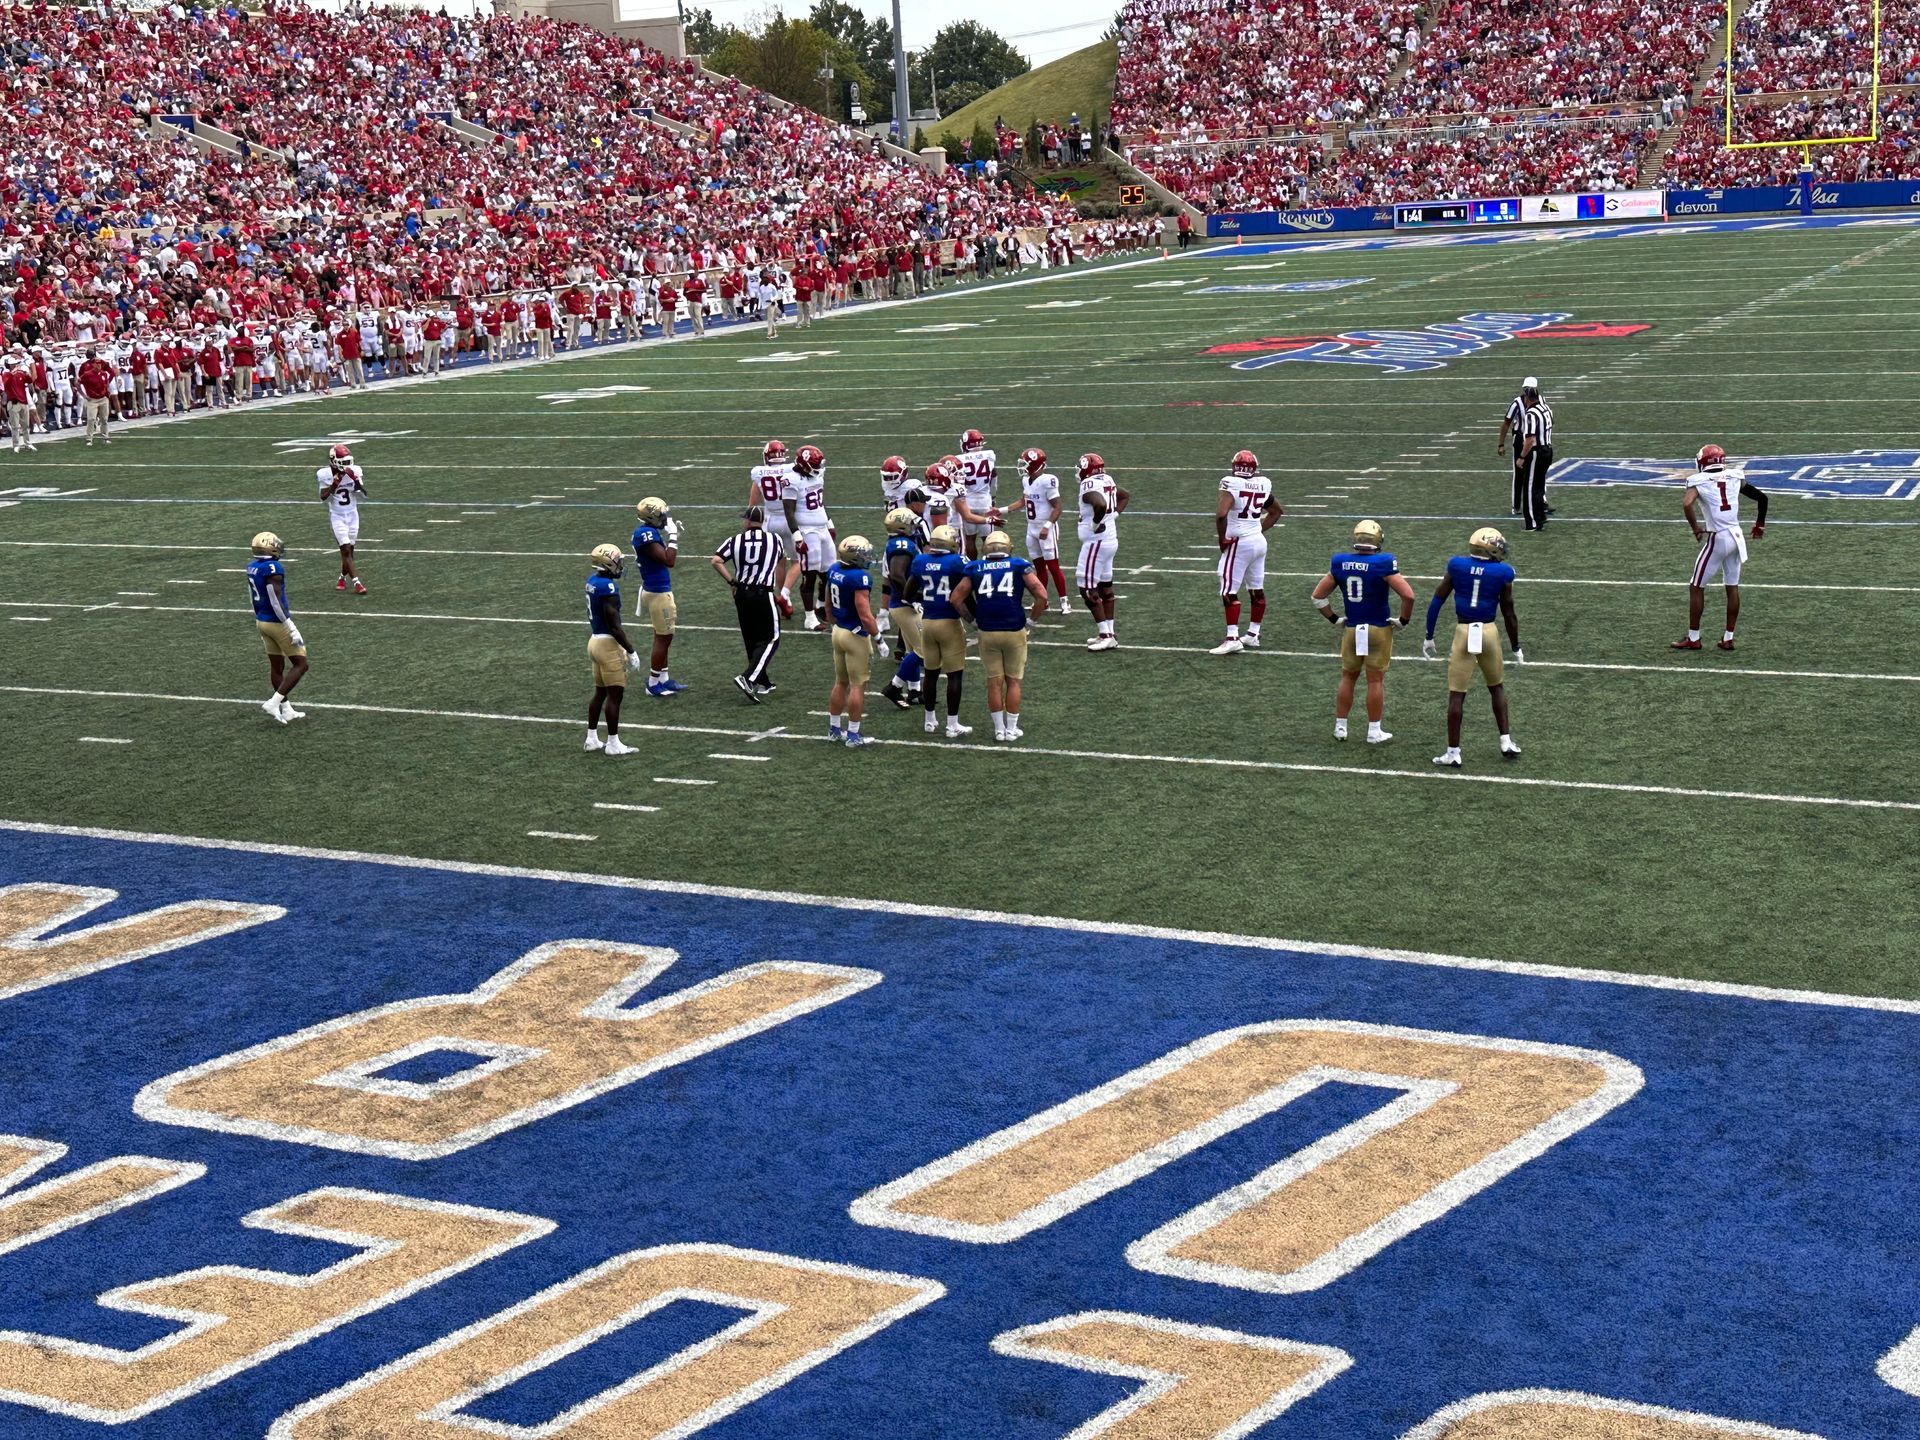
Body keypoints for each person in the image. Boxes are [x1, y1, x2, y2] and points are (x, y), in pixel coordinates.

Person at [1424, 527, 1524, 766]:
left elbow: (1437, 599)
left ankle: (1453, 752)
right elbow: (1508, 612)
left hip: (1464, 632)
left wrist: (1429, 634)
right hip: (1489, 632)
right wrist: (1516, 646)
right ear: (1489, 548)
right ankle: (1506, 741)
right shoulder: (1503, 572)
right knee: (1496, 687)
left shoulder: (1457, 566)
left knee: (1457, 694)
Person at [1312, 519, 1416, 744]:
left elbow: (1318, 596)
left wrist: (1335, 619)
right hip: (1378, 629)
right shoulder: (1384, 562)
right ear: (1378, 540)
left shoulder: (1341, 562)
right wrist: (1403, 620)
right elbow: (1408, 596)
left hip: (1352, 628)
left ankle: (1340, 727)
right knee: (1375, 681)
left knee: (1348, 677)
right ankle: (1373, 731)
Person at [952, 529, 1048, 742]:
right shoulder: (1018, 565)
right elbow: (1041, 595)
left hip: (987, 631)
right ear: (1008, 547)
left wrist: (973, 620)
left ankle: (999, 729)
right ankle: (1011, 730)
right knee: (1013, 681)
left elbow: (956, 598)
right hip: (1014, 629)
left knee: (994, 682)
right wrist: (1031, 621)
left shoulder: (975, 567)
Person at [1674, 444, 1767, 652]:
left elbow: (1687, 504)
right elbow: (1763, 498)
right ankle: (1728, 638)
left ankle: (1694, 638)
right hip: (1736, 536)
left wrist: (1696, 528)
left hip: (1718, 538)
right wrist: (1759, 524)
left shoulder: (1698, 480)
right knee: (1732, 586)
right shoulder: (1734, 476)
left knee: (1696, 586)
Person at [1211, 448, 1282, 654]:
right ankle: (1253, 634)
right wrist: (1258, 530)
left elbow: (1221, 514)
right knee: (1256, 588)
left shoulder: (1230, 482)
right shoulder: (1263, 483)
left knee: (1228, 591)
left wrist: (1222, 539)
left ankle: (1232, 637)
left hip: (1239, 542)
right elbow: (1277, 511)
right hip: (1258, 541)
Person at [711, 504, 785, 700]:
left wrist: (732, 581)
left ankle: (763, 681)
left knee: (751, 639)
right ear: (762, 522)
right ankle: (749, 678)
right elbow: (779, 559)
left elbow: (716, 561)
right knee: (771, 638)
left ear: (747, 521)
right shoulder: (774, 539)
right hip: (763, 593)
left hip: (742, 594)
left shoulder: (735, 540)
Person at [908, 524, 972, 737]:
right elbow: (968, 590)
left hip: (927, 622)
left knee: (931, 673)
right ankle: (952, 724)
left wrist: (923, 598)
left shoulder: (920, 561)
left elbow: (908, 592)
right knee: (954, 675)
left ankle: (929, 720)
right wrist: (975, 617)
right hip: (949, 623)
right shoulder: (956, 562)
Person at [826, 535, 886, 747]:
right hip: (855, 634)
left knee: (840, 682)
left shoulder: (834, 569)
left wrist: (833, 622)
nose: (867, 557)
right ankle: (853, 735)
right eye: (863, 554)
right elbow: (865, 615)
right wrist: (878, 638)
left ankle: (834, 729)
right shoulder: (859, 577)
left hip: (838, 631)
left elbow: (827, 602)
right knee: (858, 685)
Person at [584, 544, 642, 755]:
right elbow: (615, 627)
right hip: (607, 645)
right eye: (617, 561)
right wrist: (631, 650)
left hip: (594, 641)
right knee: (614, 696)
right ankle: (613, 743)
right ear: (607, 563)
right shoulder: (608, 588)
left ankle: (591, 738)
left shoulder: (593, 581)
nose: (620, 565)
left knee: (600, 693)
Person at [246, 532, 308, 724]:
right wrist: (290, 626)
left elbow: (251, 595)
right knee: (301, 664)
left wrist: (259, 618)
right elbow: (275, 601)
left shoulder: (253, 566)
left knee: (277, 666)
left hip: (261, 620)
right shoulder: (272, 567)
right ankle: (274, 703)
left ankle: (287, 709)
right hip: (276, 622)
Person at [630, 496, 686, 696]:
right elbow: (669, 560)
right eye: (662, 515)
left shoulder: (647, 531)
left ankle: (664, 678)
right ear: (651, 517)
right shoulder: (646, 534)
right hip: (657, 592)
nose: (665, 518)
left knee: (663, 637)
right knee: (663, 638)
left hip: (654, 589)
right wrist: (673, 537)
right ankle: (653, 684)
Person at [1075, 452, 1129, 650]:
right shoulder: (1107, 479)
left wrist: (1097, 522)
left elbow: (1099, 503)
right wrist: (1112, 515)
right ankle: (1110, 632)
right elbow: (1125, 496)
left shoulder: (1088, 484)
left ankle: (1105, 634)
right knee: (1105, 587)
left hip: (1096, 542)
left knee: (1086, 587)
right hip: (1109, 541)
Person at [781, 444, 836, 631]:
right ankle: (809, 617)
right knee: (810, 575)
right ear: (804, 465)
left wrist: (829, 523)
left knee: (829, 572)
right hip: (807, 530)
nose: (819, 469)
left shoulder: (817, 474)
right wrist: (797, 537)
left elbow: (820, 501)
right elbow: (789, 512)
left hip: (821, 527)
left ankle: (821, 605)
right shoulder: (791, 480)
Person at [879, 506, 925, 709]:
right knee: (925, 651)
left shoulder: (899, 542)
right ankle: (894, 687)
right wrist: (912, 597)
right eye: (910, 523)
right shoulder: (901, 544)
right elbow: (897, 575)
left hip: (899, 603)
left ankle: (914, 691)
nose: (913, 526)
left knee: (912, 650)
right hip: (904, 604)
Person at [748, 440, 797, 617]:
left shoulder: (758, 473)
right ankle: (785, 594)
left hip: (769, 521)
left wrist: (748, 526)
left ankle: (783, 598)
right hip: (790, 519)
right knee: (799, 561)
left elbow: (753, 504)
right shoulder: (792, 469)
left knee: (779, 562)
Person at [1018, 447, 1071, 614]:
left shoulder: (1048, 480)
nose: (1022, 466)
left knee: (1053, 566)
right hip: (1031, 528)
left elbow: (1058, 507)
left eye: (1026, 463)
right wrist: (1001, 510)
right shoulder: (1026, 480)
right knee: (1039, 567)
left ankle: (1065, 603)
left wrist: (1047, 526)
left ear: (1035, 464)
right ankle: (1043, 601)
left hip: (1045, 528)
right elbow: (1023, 502)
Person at [318, 443, 369, 594]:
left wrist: (356, 484)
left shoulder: (355, 470)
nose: (347, 465)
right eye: (344, 462)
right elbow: (323, 498)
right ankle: (357, 583)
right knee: (345, 549)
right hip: (337, 516)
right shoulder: (324, 474)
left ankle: (342, 578)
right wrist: (334, 485)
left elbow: (364, 496)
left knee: (350, 551)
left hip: (353, 514)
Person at [953, 428, 999, 559]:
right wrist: (993, 497)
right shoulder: (989, 457)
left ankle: (972, 567)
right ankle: (990, 566)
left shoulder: (959, 460)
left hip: (967, 502)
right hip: (985, 501)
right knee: (989, 540)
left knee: (970, 539)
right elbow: (994, 479)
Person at [1518, 381, 1554, 532]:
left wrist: (1521, 457)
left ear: (1528, 398)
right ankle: (1540, 517)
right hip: (1548, 449)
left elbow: (1530, 439)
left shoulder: (1531, 414)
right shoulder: (1546, 408)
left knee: (1530, 488)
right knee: (1539, 486)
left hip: (1536, 452)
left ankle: (1533, 523)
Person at [1498, 379, 1532, 517]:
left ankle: (1542, 501)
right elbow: (1506, 423)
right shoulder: (1517, 403)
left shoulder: (1541, 400)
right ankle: (1516, 506)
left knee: (1536, 472)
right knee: (1519, 474)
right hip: (1520, 439)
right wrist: (1501, 444)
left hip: (1533, 439)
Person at [77, 346, 115, 446]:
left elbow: (111, 374)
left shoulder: (103, 373)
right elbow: (78, 381)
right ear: (93, 364)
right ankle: (89, 438)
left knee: (104, 419)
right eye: (96, 364)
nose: (98, 365)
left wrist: (106, 389)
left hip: (103, 398)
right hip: (92, 399)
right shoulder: (87, 372)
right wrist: (84, 394)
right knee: (91, 419)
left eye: (99, 364)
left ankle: (105, 436)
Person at [2, 355, 34, 452]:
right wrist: (13, 373)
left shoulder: (20, 374)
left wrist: (26, 373)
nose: (14, 366)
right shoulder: (6, 374)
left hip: (23, 401)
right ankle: (16, 445)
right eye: (12, 365)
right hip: (13, 402)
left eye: (15, 364)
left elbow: (29, 380)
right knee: (15, 426)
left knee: (26, 425)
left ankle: (27, 443)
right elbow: (6, 383)